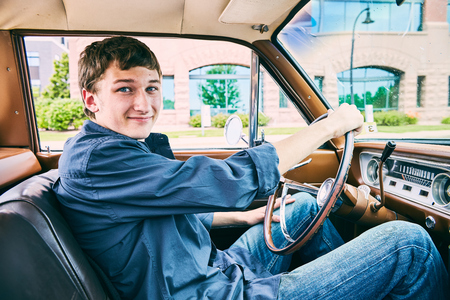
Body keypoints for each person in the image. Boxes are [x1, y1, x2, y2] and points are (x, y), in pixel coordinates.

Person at [53, 36, 448, 300]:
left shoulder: (119, 150)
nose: (143, 103)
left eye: (152, 87)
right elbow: (227, 178)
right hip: (207, 293)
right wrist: (329, 125)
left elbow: (165, 206)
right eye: (125, 88)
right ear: (91, 99)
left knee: (302, 210)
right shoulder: (99, 160)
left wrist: (245, 218)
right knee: (407, 244)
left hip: (216, 271)